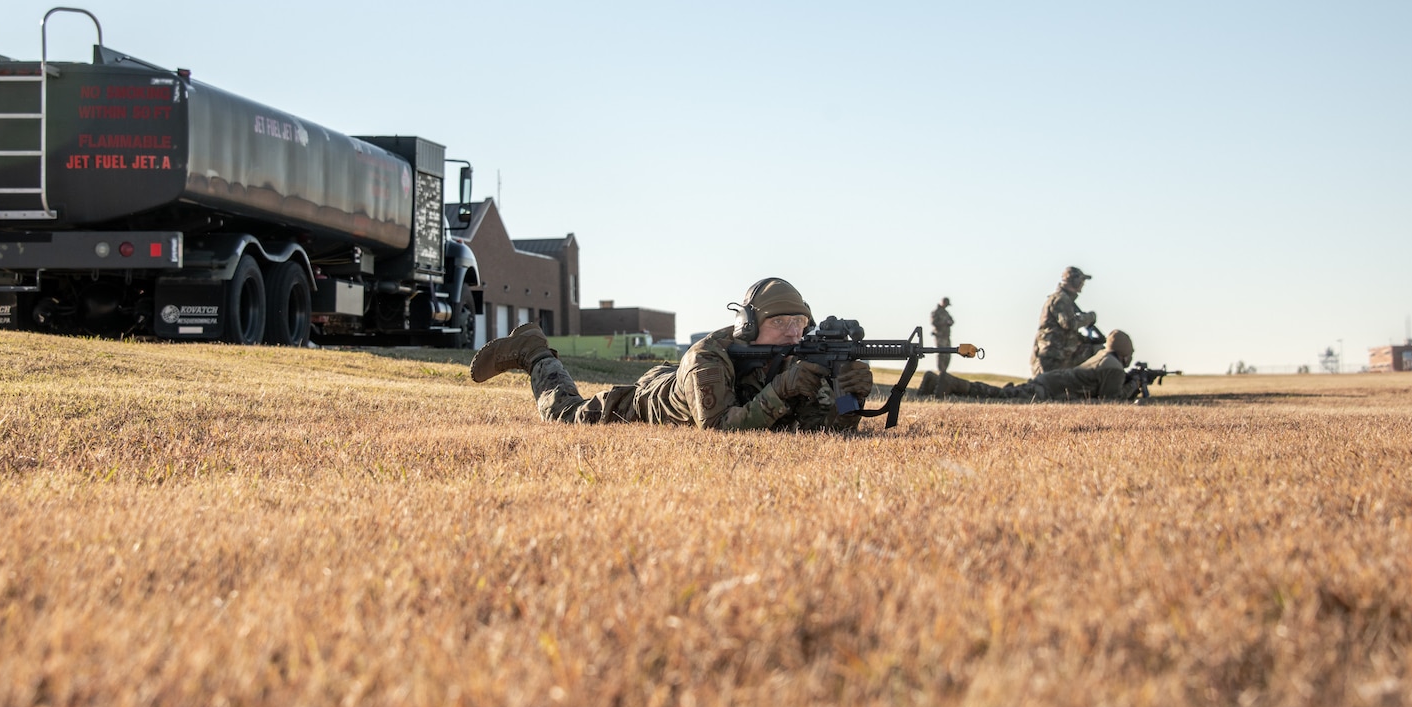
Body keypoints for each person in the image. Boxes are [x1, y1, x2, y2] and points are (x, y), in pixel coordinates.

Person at [468, 277, 874, 431]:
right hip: (647, 403)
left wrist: (848, 400)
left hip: (686, 384)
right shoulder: (708, 357)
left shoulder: (795, 356)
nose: (793, 333)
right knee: (563, 414)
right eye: (781, 323)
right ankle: (535, 352)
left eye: (799, 323)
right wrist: (781, 390)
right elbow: (716, 427)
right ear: (749, 326)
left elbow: (816, 428)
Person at [926, 330, 1137, 401]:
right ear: (1124, 352)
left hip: (1048, 381)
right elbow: (1111, 400)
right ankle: (951, 383)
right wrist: (1134, 384)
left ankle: (934, 382)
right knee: (1000, 396)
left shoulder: (1102, 357)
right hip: (1048, 390)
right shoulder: (1114, 368)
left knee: (1005, 393)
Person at [1030, 265, 1097, 375]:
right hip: (1052, 357)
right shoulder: (1061, 299)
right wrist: (1090, 317)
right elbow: (1069, 324)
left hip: (1058, 356)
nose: (1083, 284)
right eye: (1081, 280)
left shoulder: (1065, 300)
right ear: (1074, 281)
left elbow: (1066, 331)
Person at [930, 297, 954, 374]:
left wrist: (949, 322)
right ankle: (941, 371)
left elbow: (952, 321)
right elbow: (934, 322)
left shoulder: (946, 313)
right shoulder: (936, 312)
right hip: (940, 336)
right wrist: (944, 323)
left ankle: (944, 371)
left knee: (948, 354)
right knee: (941, 353)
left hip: (946, 336)